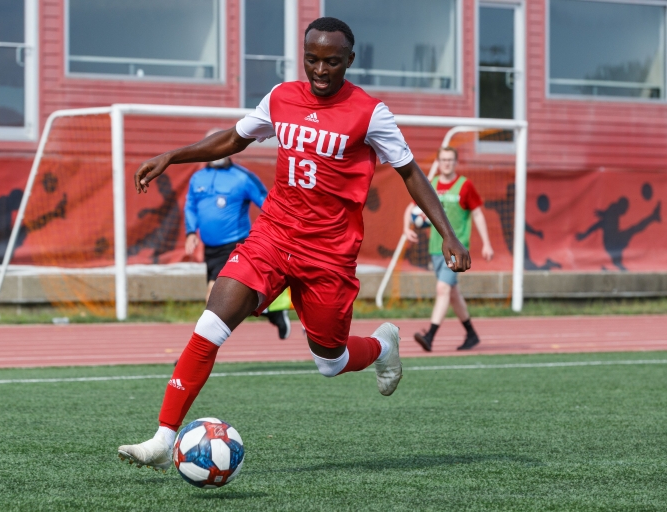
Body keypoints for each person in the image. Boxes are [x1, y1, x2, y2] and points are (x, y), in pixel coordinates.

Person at [117, 17, 471, 472]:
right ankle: (164, 439)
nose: (320, 70)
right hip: (273, 234)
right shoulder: (281, 97)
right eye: (312, 59)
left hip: (329, 253)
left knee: (331, 361)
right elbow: (232, 138)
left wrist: (448, 233)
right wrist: (172, 156)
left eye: (331, 61)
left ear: (350, 61)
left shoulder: (370, 112)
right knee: (211, 324)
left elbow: (410, 173)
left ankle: (383, 347)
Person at [184, 131, 291, 339]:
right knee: (234, 300)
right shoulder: (198, 178)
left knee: (213, 297)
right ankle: (273, 312)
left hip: (235, 244)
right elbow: (190, 206)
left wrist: (280, 230)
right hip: (210, 249)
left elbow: (267, 203)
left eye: (220, 145)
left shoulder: (242, 177)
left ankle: (201, 348)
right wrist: (190, 232)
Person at [405, 147, 493, 352]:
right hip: (436, 249)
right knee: (453, 294)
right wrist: (406, 229)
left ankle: (429, 336)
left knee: (443, 289)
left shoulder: (465, 185)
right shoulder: (431, 184)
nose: (446, 163)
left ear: (455, 162)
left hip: (457, 250)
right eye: (443, 159)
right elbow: (411, 209)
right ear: (438, 162)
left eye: (450, 160)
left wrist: (487, 243)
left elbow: (478, 214)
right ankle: (471, 334)